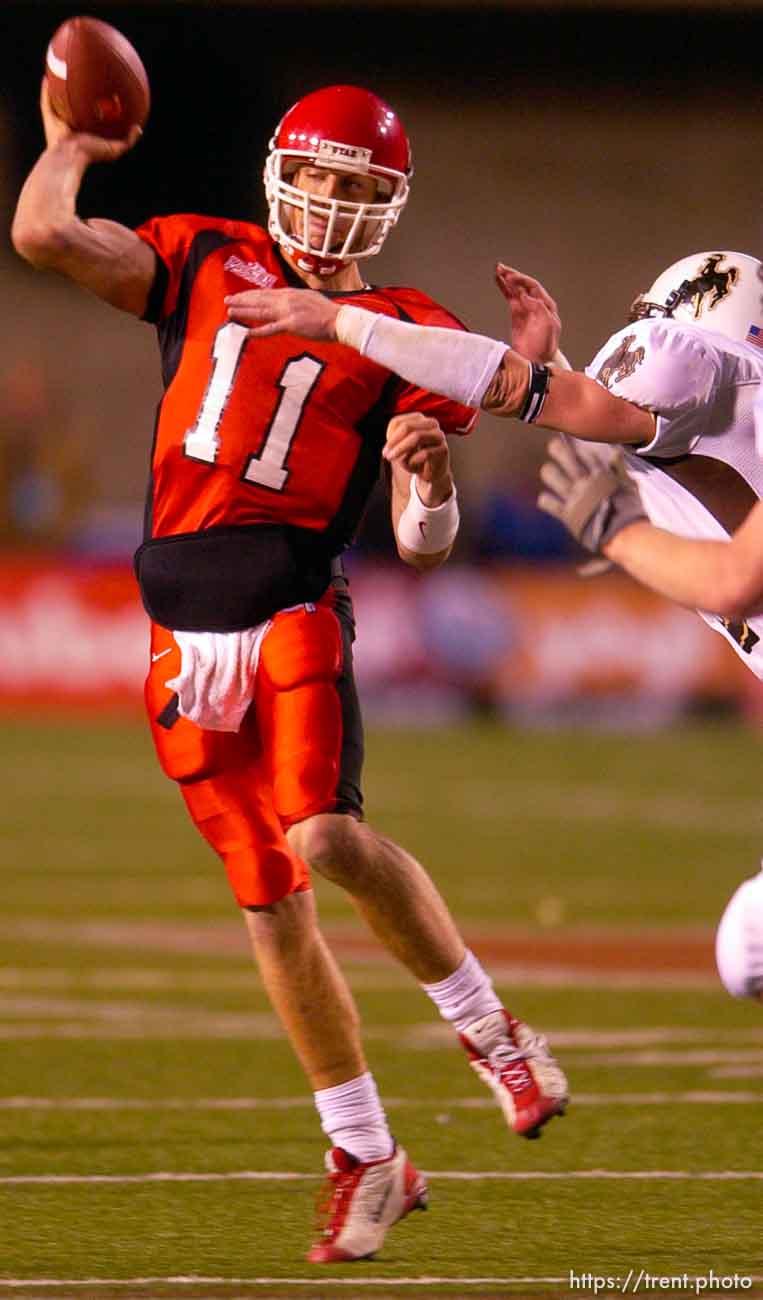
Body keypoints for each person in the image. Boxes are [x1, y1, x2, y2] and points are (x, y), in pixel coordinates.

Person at [12, 81, 568, 1262]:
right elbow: (44, 235)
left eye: (353, 186)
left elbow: (425, 540)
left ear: (387, 205)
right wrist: (69, 144)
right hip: (178, 631)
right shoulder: (205, 255)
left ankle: (492, 1031)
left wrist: (434, 474)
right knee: (268, 896)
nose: (326, 201)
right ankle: (368, 1152)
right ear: (279, 172)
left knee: (323, 833)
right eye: (314, 176)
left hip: (291, 610)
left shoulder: (402, 325)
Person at [224, 249, 763, 1003]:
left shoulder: (692, 360)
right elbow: (639, 459)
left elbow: (730, 580)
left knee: (748, 948)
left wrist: (345, 322)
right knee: (749, 949)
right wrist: (551, 373)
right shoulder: (727, 426)